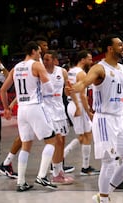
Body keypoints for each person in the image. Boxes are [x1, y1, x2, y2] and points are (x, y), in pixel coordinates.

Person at [70, 34, 123, 203]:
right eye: (120, 45)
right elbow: (85, 82)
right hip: (104, 120)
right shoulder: (99, 68)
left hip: (119, 120)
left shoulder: (121, 69)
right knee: (110, 162)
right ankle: (105, 198)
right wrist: (77, 87)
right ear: (110, 48)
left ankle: (103, 195)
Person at [0, 41, 58, 192]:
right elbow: (49, 87)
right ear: (33, 51)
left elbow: (3, 90)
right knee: (52, 140)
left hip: (22, 110)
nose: (40, 54)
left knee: (26, 145)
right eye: (39, 52)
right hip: (35, 107)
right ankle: (42, 176)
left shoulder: (16, 68)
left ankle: (21, 182)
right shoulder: (36, 65)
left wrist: (6, 108)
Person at [65, 50, 99, 176]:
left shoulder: (70, 71)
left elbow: (67, 91)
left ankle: (85, 166)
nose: (91, 61)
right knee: (83, 136)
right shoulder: (82, 74)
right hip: (78, 105)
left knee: (86, 135)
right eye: (89, 59)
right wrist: (88, 111)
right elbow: (83, 96)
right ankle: (60, 158)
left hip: (71, 104)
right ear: (82, 59)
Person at [43, 50, 74, 185]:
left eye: (48, 59)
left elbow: (67, 88)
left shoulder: (62, 72)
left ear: (55, 60)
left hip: (60, 109)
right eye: (44, 59)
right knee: (56, 141)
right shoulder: (40, 72)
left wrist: (69, 91)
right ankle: (54, 173)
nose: (45, 61)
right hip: (46, 110)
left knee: (62, 142)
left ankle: (59, 170)